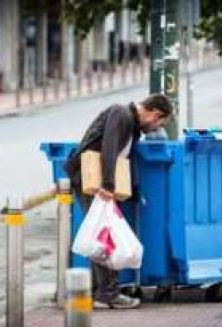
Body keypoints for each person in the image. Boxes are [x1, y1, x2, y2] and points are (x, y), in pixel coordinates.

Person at [63, 93, 173, 309]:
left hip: (97, 183)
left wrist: (131, 190)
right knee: (105, 237)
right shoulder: (121, 114)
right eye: (161, 123)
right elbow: (110, 148)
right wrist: (108, 184)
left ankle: (100, 292)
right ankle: (108, 294)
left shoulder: (132, 125)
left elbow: (124, 157)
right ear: (154, 114)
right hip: (93, 182)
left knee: (101, 235)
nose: (157, 128)